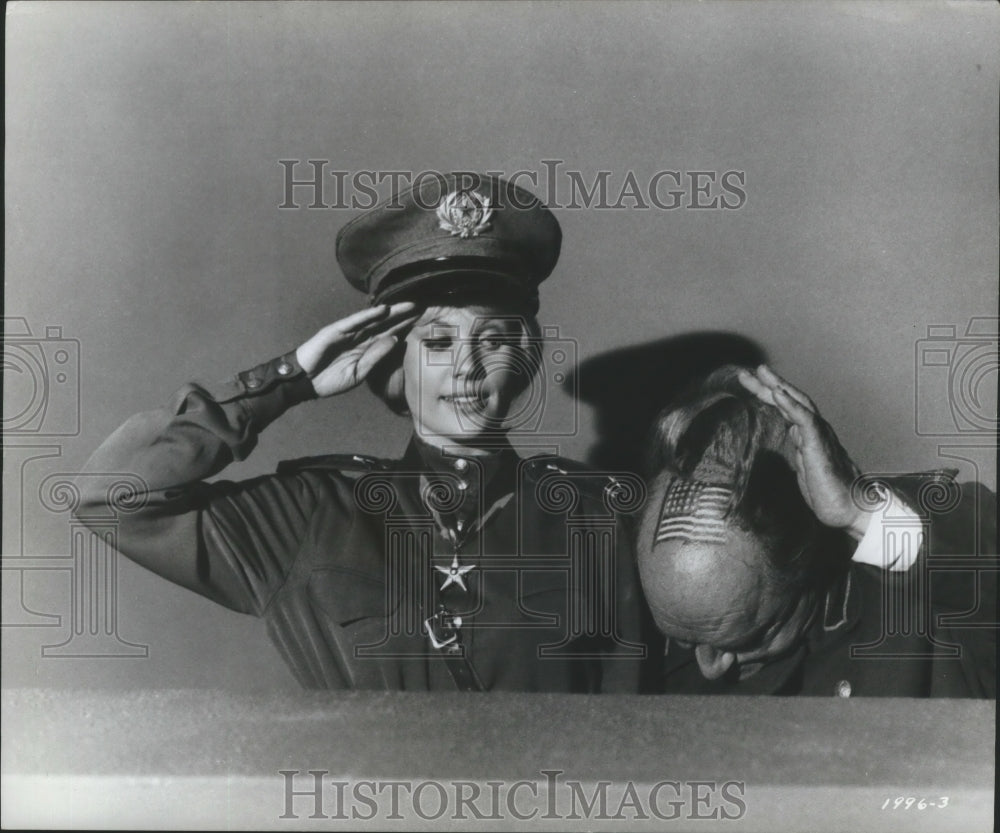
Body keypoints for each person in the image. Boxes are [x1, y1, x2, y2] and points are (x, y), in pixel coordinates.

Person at [74, 172, 647, 691]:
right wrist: (287, 380)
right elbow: (111, 497)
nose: (467, 369)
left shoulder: (595, 516)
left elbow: (644, 719)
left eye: (494, 341)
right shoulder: (311, 515)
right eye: (439, 343)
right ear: (391, 363)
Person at [635, 364, 996, 697]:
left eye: (750, 637)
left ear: (810, 557)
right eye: (682, 639)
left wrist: (861, 514)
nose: (709, 669)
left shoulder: (932, 608)